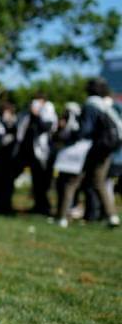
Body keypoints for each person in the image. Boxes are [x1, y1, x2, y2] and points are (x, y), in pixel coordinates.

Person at [54, 78, 121, 228]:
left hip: (91, 149)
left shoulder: (91, 105)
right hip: (108, 148)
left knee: (71, 182)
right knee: (99, 182)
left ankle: (62, 217)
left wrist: (68, 136)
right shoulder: (106, 106)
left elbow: (85, 130)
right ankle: (112, 216)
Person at [11, 93, 58, 216]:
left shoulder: (48, 112)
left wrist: (36, 114)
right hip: (27, 151)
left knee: (41, 183)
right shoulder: (27, 114)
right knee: (16, 175)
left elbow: (45, 128)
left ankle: (43, 208)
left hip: (42, 153)